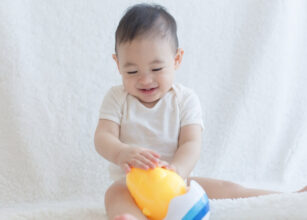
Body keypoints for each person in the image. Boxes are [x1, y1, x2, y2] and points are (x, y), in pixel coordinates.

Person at [94, 3, 307, 220]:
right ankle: (130, 217)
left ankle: (286, 196)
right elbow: (103, 136)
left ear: (176, 59)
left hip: (179, 183)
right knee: (114, 194)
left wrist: (177, 170)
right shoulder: (117, 98)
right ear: (118, 64)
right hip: (132, 185)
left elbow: (191, 143)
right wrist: (121, 152)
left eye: (156, 69)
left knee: (228, 187)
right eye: (132, 71)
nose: (145, 79)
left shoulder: (185, 99)